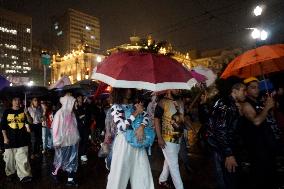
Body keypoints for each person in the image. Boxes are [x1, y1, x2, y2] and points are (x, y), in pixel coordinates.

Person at [106, 88, 154, 189]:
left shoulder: (134, 106)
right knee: (119, 176)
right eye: (125, 89)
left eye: (130, 89)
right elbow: (122, 127)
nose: (129, 92)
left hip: (138, 141)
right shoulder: (115, 107)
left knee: (142, 174)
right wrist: (136, 113)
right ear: (119, 91)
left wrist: (141, 127)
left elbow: (146, 118)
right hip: (123, 144)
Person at [206, 80, 246, 189]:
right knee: (226, 180)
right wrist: (228, 154)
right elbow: (220, 130)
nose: (245, 93)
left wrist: (240, 113)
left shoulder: (232, 104)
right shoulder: (225, 104)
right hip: (221, 150)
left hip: (227, 148)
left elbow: (233, 127)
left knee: (232, 178)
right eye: (243, 90)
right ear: (235, 91)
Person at [241, 77, 278, 189]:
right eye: (253, 88)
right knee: (261, 176)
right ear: (246, 90)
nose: (257, 90)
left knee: (271, 173)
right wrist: (267, 107)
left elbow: (267, 117)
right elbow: (256, 121)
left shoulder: (258, 101)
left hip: (267, 143)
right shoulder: (246, 105)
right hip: (257, 147)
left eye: (257, 87)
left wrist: (270, 106)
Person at [155, 89, 185, 189]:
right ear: (169, 88)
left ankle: (162, 179)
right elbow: (156, 120)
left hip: (178, 138)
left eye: (179, 88)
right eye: (176, 88)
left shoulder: (180, 101)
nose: (178, 90)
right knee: (174, 166)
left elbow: (182, 118)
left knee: (169, 161)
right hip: (167, 140)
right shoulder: (162, 102)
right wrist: (159, 137)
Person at [1, 96, 32, 183]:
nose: (17, 102)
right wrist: (5, 137)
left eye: (19, 100)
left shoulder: (24, 111)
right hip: (9, 139)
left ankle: (24, 175)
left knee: (23, 158)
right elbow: (3, 126)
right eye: (15, 100)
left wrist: (27, 114)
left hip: (22, 139)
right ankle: (10, 173)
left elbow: (30, 121)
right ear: (12, 101)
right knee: (9, 159)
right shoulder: (7, 112)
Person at [51, 93, 80, 187]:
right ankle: (55, 172)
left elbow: (74, 127)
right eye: (73, 102)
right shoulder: (60, 114)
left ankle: (70, 180)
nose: (75, 104)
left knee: (72, 160)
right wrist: (56, 142)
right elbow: (55, 129)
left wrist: (76, 138)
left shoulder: (71, 114)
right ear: (68, 103)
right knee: (61, 160)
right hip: (63, 143)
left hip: (72, 141)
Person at [74, 94, 91, 163]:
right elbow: (75, 117)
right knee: (80, 140)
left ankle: (83, 154)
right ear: (77, 99)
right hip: (79, 126)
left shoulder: (85, 105)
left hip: (86, 125)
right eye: (79, 97)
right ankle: (80, 153)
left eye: (81, 97)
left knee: (85, 139)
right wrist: (79, 115)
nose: (80, 99)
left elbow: (88, 113)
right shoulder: (75, 107)